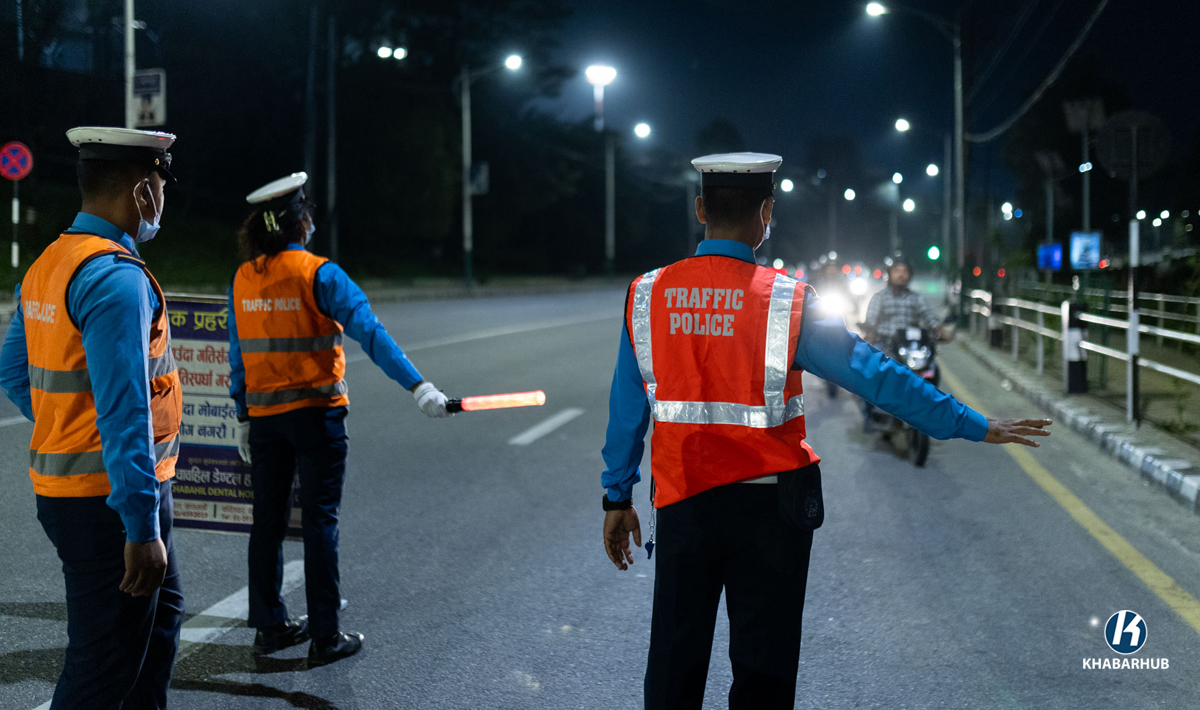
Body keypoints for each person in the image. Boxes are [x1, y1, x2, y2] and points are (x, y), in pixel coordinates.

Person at [599, 152, 1053, 710]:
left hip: (681, 506)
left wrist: (616, 496)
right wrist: (971, 423)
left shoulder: (648, 294)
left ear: (700, 210)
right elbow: (875, 375)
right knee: (763, 673)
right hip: (770, 514)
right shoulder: (785, 300)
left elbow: (627, 408)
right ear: (767, 212)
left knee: (674, 663)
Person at [228, 172, 453, 667]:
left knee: (267, 522)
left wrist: (242, 412)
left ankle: (269, 627)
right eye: (308, 213)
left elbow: (237, 353)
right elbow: (370, 333)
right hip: (317, 419)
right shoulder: (320, 274)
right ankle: (325, 636)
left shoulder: (243, 278)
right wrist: (419, 386)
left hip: (264, 422)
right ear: (300, 221)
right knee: (319, 522)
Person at [0, 127, 184, 709]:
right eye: (161, 183)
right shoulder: (116, 278)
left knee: (160, 621)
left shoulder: (49, 263)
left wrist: (69, 424)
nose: (164, 197)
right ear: (142, 191)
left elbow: (12, 371)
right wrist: (141, 526)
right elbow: (126, 412)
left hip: (73, 492)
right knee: (100, 671)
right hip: (110, 500)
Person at [861, 251, 943, 345]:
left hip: (910, 343)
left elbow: (927, 313)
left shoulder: (916, 298)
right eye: (897, 271)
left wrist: (937, 327)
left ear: (910, 275)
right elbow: (871, 319)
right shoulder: (879, 297)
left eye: (905, 271)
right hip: (885, 343)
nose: (901, 275)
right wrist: (869, 333)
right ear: (890, 274)